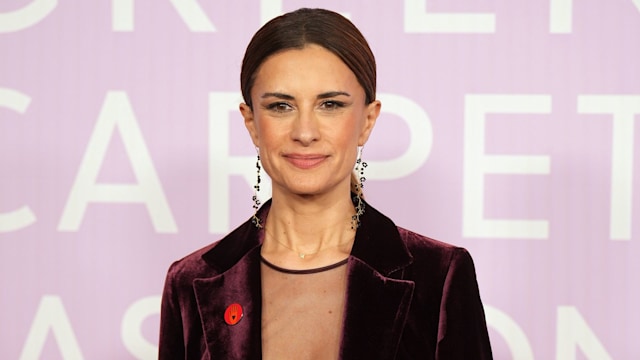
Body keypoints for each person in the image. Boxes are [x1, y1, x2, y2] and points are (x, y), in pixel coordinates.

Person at [159, 7, 492, 359]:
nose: (305, 133)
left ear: (367, 120)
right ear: (251, 123)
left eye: (330, 104)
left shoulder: (438, 276)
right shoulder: (190, 282)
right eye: (280, 106)